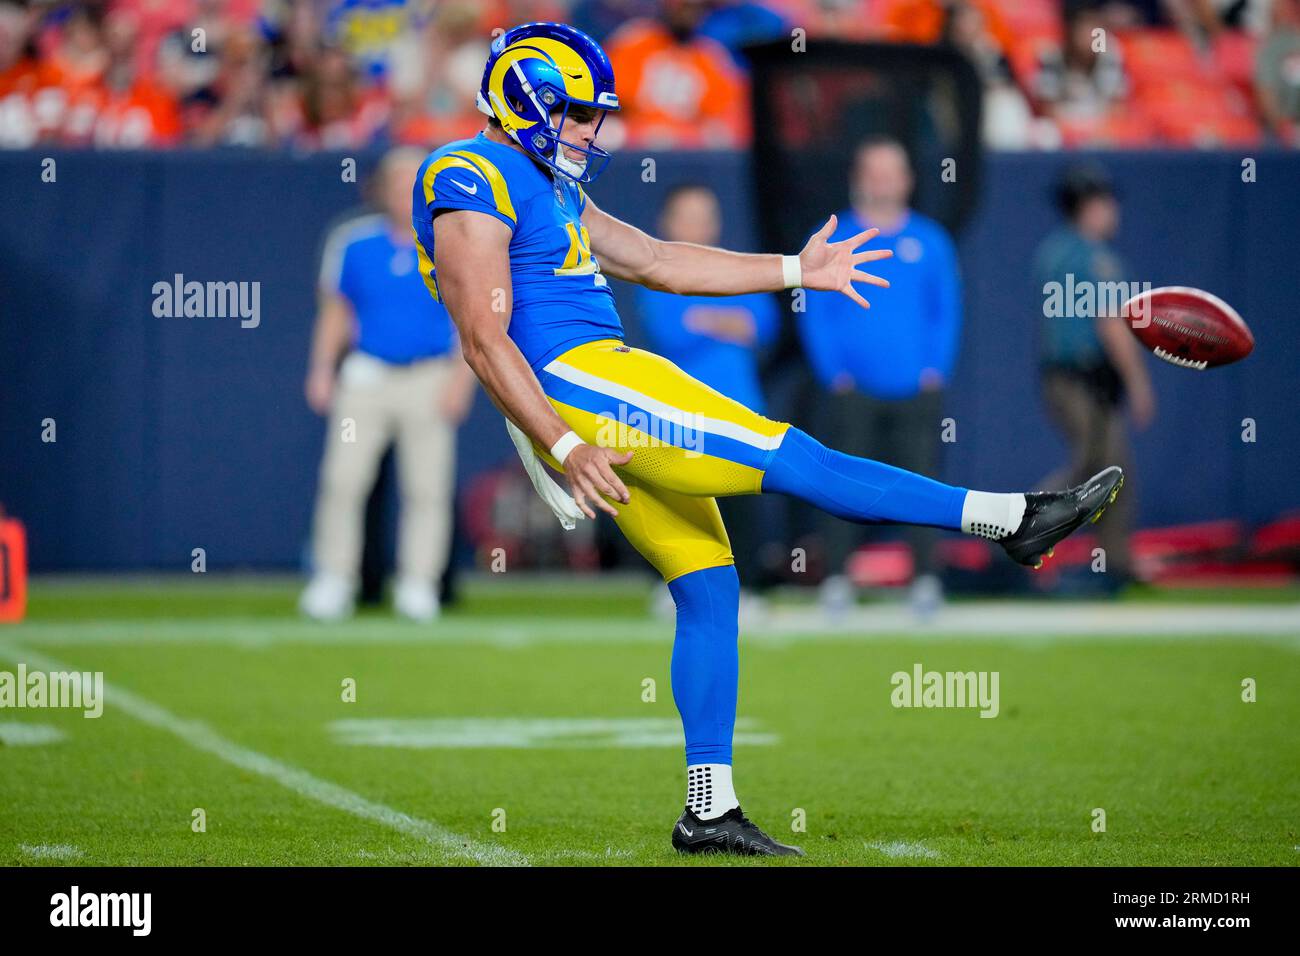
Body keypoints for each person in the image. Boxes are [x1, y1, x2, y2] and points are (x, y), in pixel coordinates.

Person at [414, 22, 1123, 857]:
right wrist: (564, 444)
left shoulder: (548, 181)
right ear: (526, 101)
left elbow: (658, 258)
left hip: (594, 388)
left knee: (710, 589)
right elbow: (485, 340)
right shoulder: (468, 173)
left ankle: (707, 809)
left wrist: (796, 270)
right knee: (795, 455)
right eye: (575, 113)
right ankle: (1012, 518)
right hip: (587, 384)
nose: (588, 130)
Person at [301, 146, 476, 623]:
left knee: (428, 487)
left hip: (429, 376)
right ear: (378, 189)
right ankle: (334, 577)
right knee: (344, 480)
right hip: (367, 376)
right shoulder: (352, 241)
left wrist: (462, 381)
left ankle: (419, 583)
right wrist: (321, 369)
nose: (405, 192)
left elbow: (471, 319)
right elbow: (337, 312)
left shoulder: (451, 240)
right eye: (396, 182)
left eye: (414, 182)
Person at [799, 137, 962, 617]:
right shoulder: (832, 239)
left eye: (893, 172)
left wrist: (935, 368)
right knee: (840, 483)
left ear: (908, 180)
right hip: (852, 390)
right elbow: (814, 312)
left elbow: (945, 311)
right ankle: (836, 581)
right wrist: (834, 372)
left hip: (916, 389)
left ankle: (927, 581)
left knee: (922, 485)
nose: (883, 182)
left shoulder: (931, 241)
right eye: (874, 171)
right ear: (857, 178)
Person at [636, 183, 779, 594]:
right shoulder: (653, 272)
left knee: (741, 504)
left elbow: (762, 323)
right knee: (684, 506)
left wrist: (705, 318)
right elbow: (672, 330)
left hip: (738, 406)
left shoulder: (734, 267)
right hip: (678, 410)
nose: (699, 225)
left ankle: (748, 589)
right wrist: (726, 320)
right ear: (668, 221)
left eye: (706, 215)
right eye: (689, 215)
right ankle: (678, 589)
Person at [1033, 164, 1153, 589]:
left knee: (1111, 465)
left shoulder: (1052, 250)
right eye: (1104, 200)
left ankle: (1116, 560)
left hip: (1064, 378)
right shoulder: (1096, 257)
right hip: (1082, 380)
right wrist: (1139, 382)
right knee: (1094, 469)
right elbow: (1110, 323)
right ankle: (1022, 529)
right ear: (1087, 207)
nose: (1112, 208)